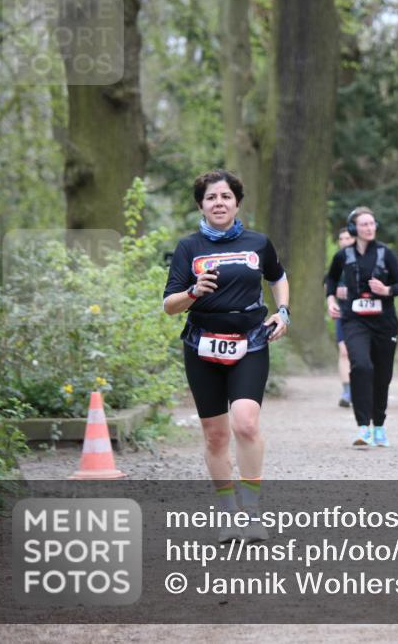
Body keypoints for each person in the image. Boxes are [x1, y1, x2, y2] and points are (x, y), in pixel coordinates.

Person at [163, 169, 289, 544]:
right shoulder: (189, 247)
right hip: (202, 344)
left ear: (237, 202)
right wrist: (193, 292)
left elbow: (278, 276)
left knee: (246, 423)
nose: (219, 203)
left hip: (250, 341)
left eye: (225, 197)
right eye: (211, 198)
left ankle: (251, 512)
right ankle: (228, 514)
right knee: (216, 436)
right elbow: (170, 305)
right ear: (201, 205)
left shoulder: (258, 242)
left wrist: (283, 311)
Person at [326, 207, 398, 448]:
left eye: (372, 223)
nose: (369, 228)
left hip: (384, 323)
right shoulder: (344, 255)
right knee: (361, 365)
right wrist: (331, 300)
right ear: (354, 229)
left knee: (382, 375)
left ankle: (379, 426)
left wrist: (387, 290)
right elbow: (330, 279)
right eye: (364, 224)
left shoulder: (386, 253)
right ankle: (363, 427)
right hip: (354, 320)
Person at [330, 227, 355, 408]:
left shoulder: (364, 259)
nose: (344, 241)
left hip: (364, 314)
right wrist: (331, 300)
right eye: (341, 238)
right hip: (343, 312)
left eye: (348, 238)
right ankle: (347, 391)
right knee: (344, 351)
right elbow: (328, 283)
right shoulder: (337, 261)